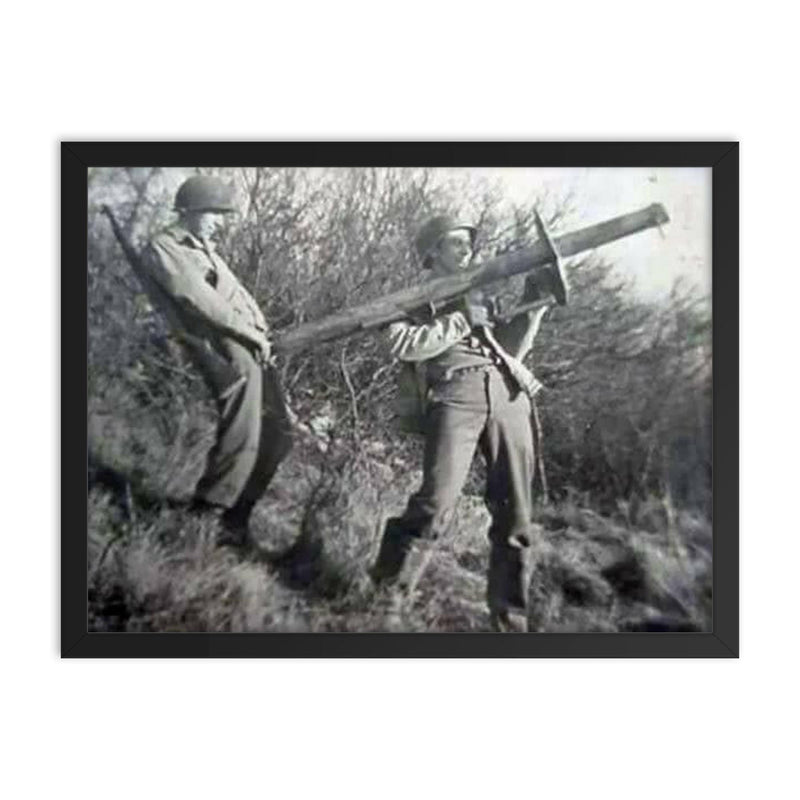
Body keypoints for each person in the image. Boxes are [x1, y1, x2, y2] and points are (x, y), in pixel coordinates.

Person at [370, 214, 567, 632]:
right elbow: (403, 345)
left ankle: (509, 619)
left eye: (468, 244)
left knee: (516, 512)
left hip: (509, 393)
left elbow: (511, 350)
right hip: (456, 393)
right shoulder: (411, 299)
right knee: (436, 502)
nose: (466, 251)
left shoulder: (481, 295)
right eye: (455, 243)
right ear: (431, 254)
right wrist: (458, 320)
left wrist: (535, 305)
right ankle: (388, 597)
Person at [138, 175, 292, 546]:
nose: (220, 221)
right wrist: (251, 334)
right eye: (214, 212)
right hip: (222, 345)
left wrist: (260, 332)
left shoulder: (207, 249)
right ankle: (207, 513)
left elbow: (238, 299)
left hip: (250, 344)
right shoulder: (164, 247)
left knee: (279, 434)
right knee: (243, 430)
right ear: (188, 210)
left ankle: (237, 519)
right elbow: (200, 301)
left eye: (224, 214)